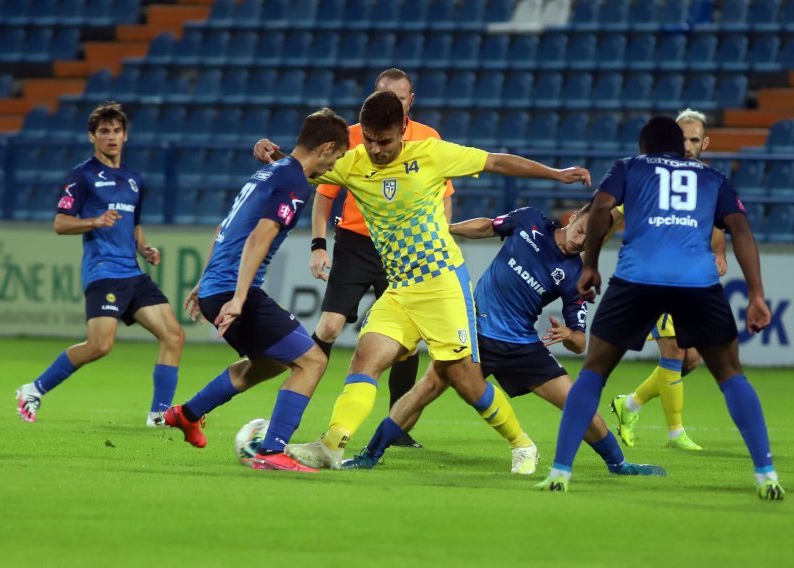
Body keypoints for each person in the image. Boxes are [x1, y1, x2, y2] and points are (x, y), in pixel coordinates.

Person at [264, 90, 591, 472]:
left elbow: (496, 162)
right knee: (365, 359)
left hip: (442, 286)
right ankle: (332, 445)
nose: (374, 148)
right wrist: (275, 157)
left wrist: (556, 174)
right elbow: (303, 167)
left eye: (383, 140)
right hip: (401, 288)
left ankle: (522, 444)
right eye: (368, 138)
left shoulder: (431, 154)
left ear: (402, 129)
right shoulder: (352, 163)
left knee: (467, 383)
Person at [537, 116, 784, 500]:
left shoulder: (629, 167)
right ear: (680, 145)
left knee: (594, 372)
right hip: (697, 282)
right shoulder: (713, 177)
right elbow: (741, 229)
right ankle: (767, 474)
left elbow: (601, 208)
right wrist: (756, 295)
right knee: (731, 375)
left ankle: (560, 472)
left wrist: (590, 265)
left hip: (638, 278)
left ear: (645, 147)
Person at [342, 204, 663, 479]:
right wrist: (447, 228)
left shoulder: (575, 275)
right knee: (426, 389)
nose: (583, 239)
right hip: (475, 334)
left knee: (576, 401)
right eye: (584, 228)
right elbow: (486, 226)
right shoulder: (530, 220)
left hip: (521, 344)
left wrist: (568, 336)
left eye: (593, 238)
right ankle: (370, 454)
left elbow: (581, 341)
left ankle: (619, 464)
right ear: (575, 215)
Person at [256, 68, 453, 449]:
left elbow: (444, 193)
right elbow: (322, 192)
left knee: (407, 345)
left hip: (404, 249)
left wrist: (441, 235)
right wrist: (317, 245)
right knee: (328, 327)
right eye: (385, 96)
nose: (393, 103)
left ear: (411, 100)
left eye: (400, 98)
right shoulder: (352, 137)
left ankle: (397, 427)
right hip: (355, 244)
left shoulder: (428, 139)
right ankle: (300, 391)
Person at [164, 109, 349, 473]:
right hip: (234, 289)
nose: (335, 167)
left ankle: (187, 414)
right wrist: (238, 297)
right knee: (312, 361)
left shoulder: (269, 172)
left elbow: (227, 226)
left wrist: (207, 281)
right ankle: (271, 450)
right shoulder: (293, 181)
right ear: (326, 147)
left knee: (271, 362)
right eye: (338, 157)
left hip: (221, 284)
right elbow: (258, 236)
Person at [15, 101, 184, 427]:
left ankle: (159, 414)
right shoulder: (82, 176)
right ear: (92, 136)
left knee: (174, 336)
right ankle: (32, 389)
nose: (111, 137)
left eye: (117, 131)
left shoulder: (134, 179)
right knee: (100, 345)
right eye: (104, 131)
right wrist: (94, 220)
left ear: (125, 136)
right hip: (104, 273)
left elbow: (134, 224)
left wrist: (144, 248)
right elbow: (60, 223)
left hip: (133, 273)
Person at [610, 108, 728, 451]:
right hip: (654, 276)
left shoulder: (707, 180)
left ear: (705, 142)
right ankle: (676, 433)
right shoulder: (649, 175)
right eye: (683, 138)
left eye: (695, 139)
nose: (688, 146)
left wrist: (719, 254)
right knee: (675, 351)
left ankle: (629, 404)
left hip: (691, 279)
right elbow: (614, 211)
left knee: (691, 359)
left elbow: (717, 231)